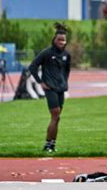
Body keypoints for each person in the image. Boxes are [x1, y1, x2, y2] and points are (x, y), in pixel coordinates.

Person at [29, 22, 71, 152]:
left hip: (61, 89)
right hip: (50, 88)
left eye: (63, 40)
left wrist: (64, 82)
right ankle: (47, 144)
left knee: (57, 118)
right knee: (55, 114)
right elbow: (32, 66)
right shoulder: (46, 53)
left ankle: (52, 144)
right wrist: (40, 82)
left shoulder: (66, 55)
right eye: (59, 39)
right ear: (54, 40)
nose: (61, 42)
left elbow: (67, 70)